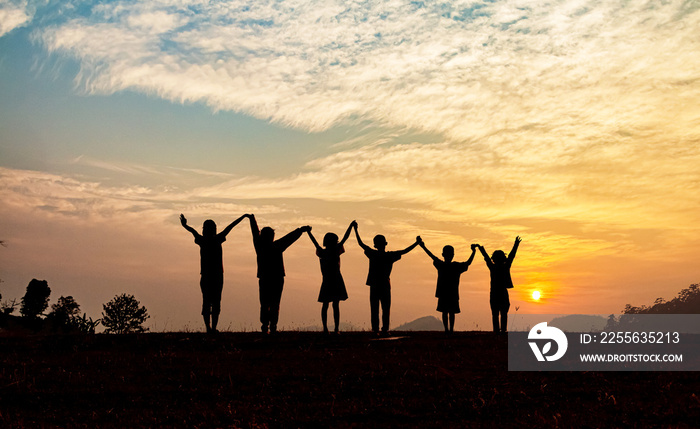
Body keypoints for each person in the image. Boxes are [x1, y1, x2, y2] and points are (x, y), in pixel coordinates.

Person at [180, 213, 247, 333]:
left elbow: (193, 231)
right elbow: (230, 227)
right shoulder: (216, 239)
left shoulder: (203, 240)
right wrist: (243, 217)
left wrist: (185, 225)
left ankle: (209, 328)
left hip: (207, 276)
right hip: (216, 276)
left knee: (208, 301)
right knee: (215, 302)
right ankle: (212, 328)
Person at [247, 214, 310, 334]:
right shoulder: (276, 246)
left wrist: (252, 219)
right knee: (274, 303)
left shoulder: (260, 246)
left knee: (265, 303)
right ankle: (272, 326)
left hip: (266, 278)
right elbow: (289, 238)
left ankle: (266, 326)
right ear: (271, 237)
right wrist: (300, 230)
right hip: (276, 278)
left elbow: (255, 232)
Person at [353, 223, 420, 336]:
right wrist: (417, 243)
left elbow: (360, 244)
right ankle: (384, 329)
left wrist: (355, 230)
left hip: (375, 284)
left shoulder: (373, 254)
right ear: (385, 244)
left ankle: (376, 330)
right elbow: (404, 251)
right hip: (384, 284)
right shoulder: (389, 256)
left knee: (375, 308)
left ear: (375, 245)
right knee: (385, 308)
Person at [418, 238, 477, 333]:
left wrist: (423, 246)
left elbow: (431, 256)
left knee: (445, 312)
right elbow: (468, 263)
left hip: (443, 293)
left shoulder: (441, 265)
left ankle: (447, 330)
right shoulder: (455, 266)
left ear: (443, 255)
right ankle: (450, 330)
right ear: (453, 255)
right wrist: (473, 252)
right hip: (452, 293)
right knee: (451, 312)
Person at [306, 222, 354, 334]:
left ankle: (326, 328)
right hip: (335, 279)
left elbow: (314, 242)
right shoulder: (335, 249)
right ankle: (335, 328)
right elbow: (345, 238)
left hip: (328, 280)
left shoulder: (323, 252)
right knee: (335, 304)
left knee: (326, 304)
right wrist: (350, 226)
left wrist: (309, 232)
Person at [478, 236, 522, 333]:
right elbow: (511, 256)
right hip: (502, 293)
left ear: (494, 259)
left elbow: (486, 258)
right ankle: (503, 330)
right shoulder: (505, 266)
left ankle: (496, 331)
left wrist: (481, 248)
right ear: (503, 259)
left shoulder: (493, 267)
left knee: (495, 313)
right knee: (503, 313)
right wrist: (516, 244)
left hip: (494, 293)